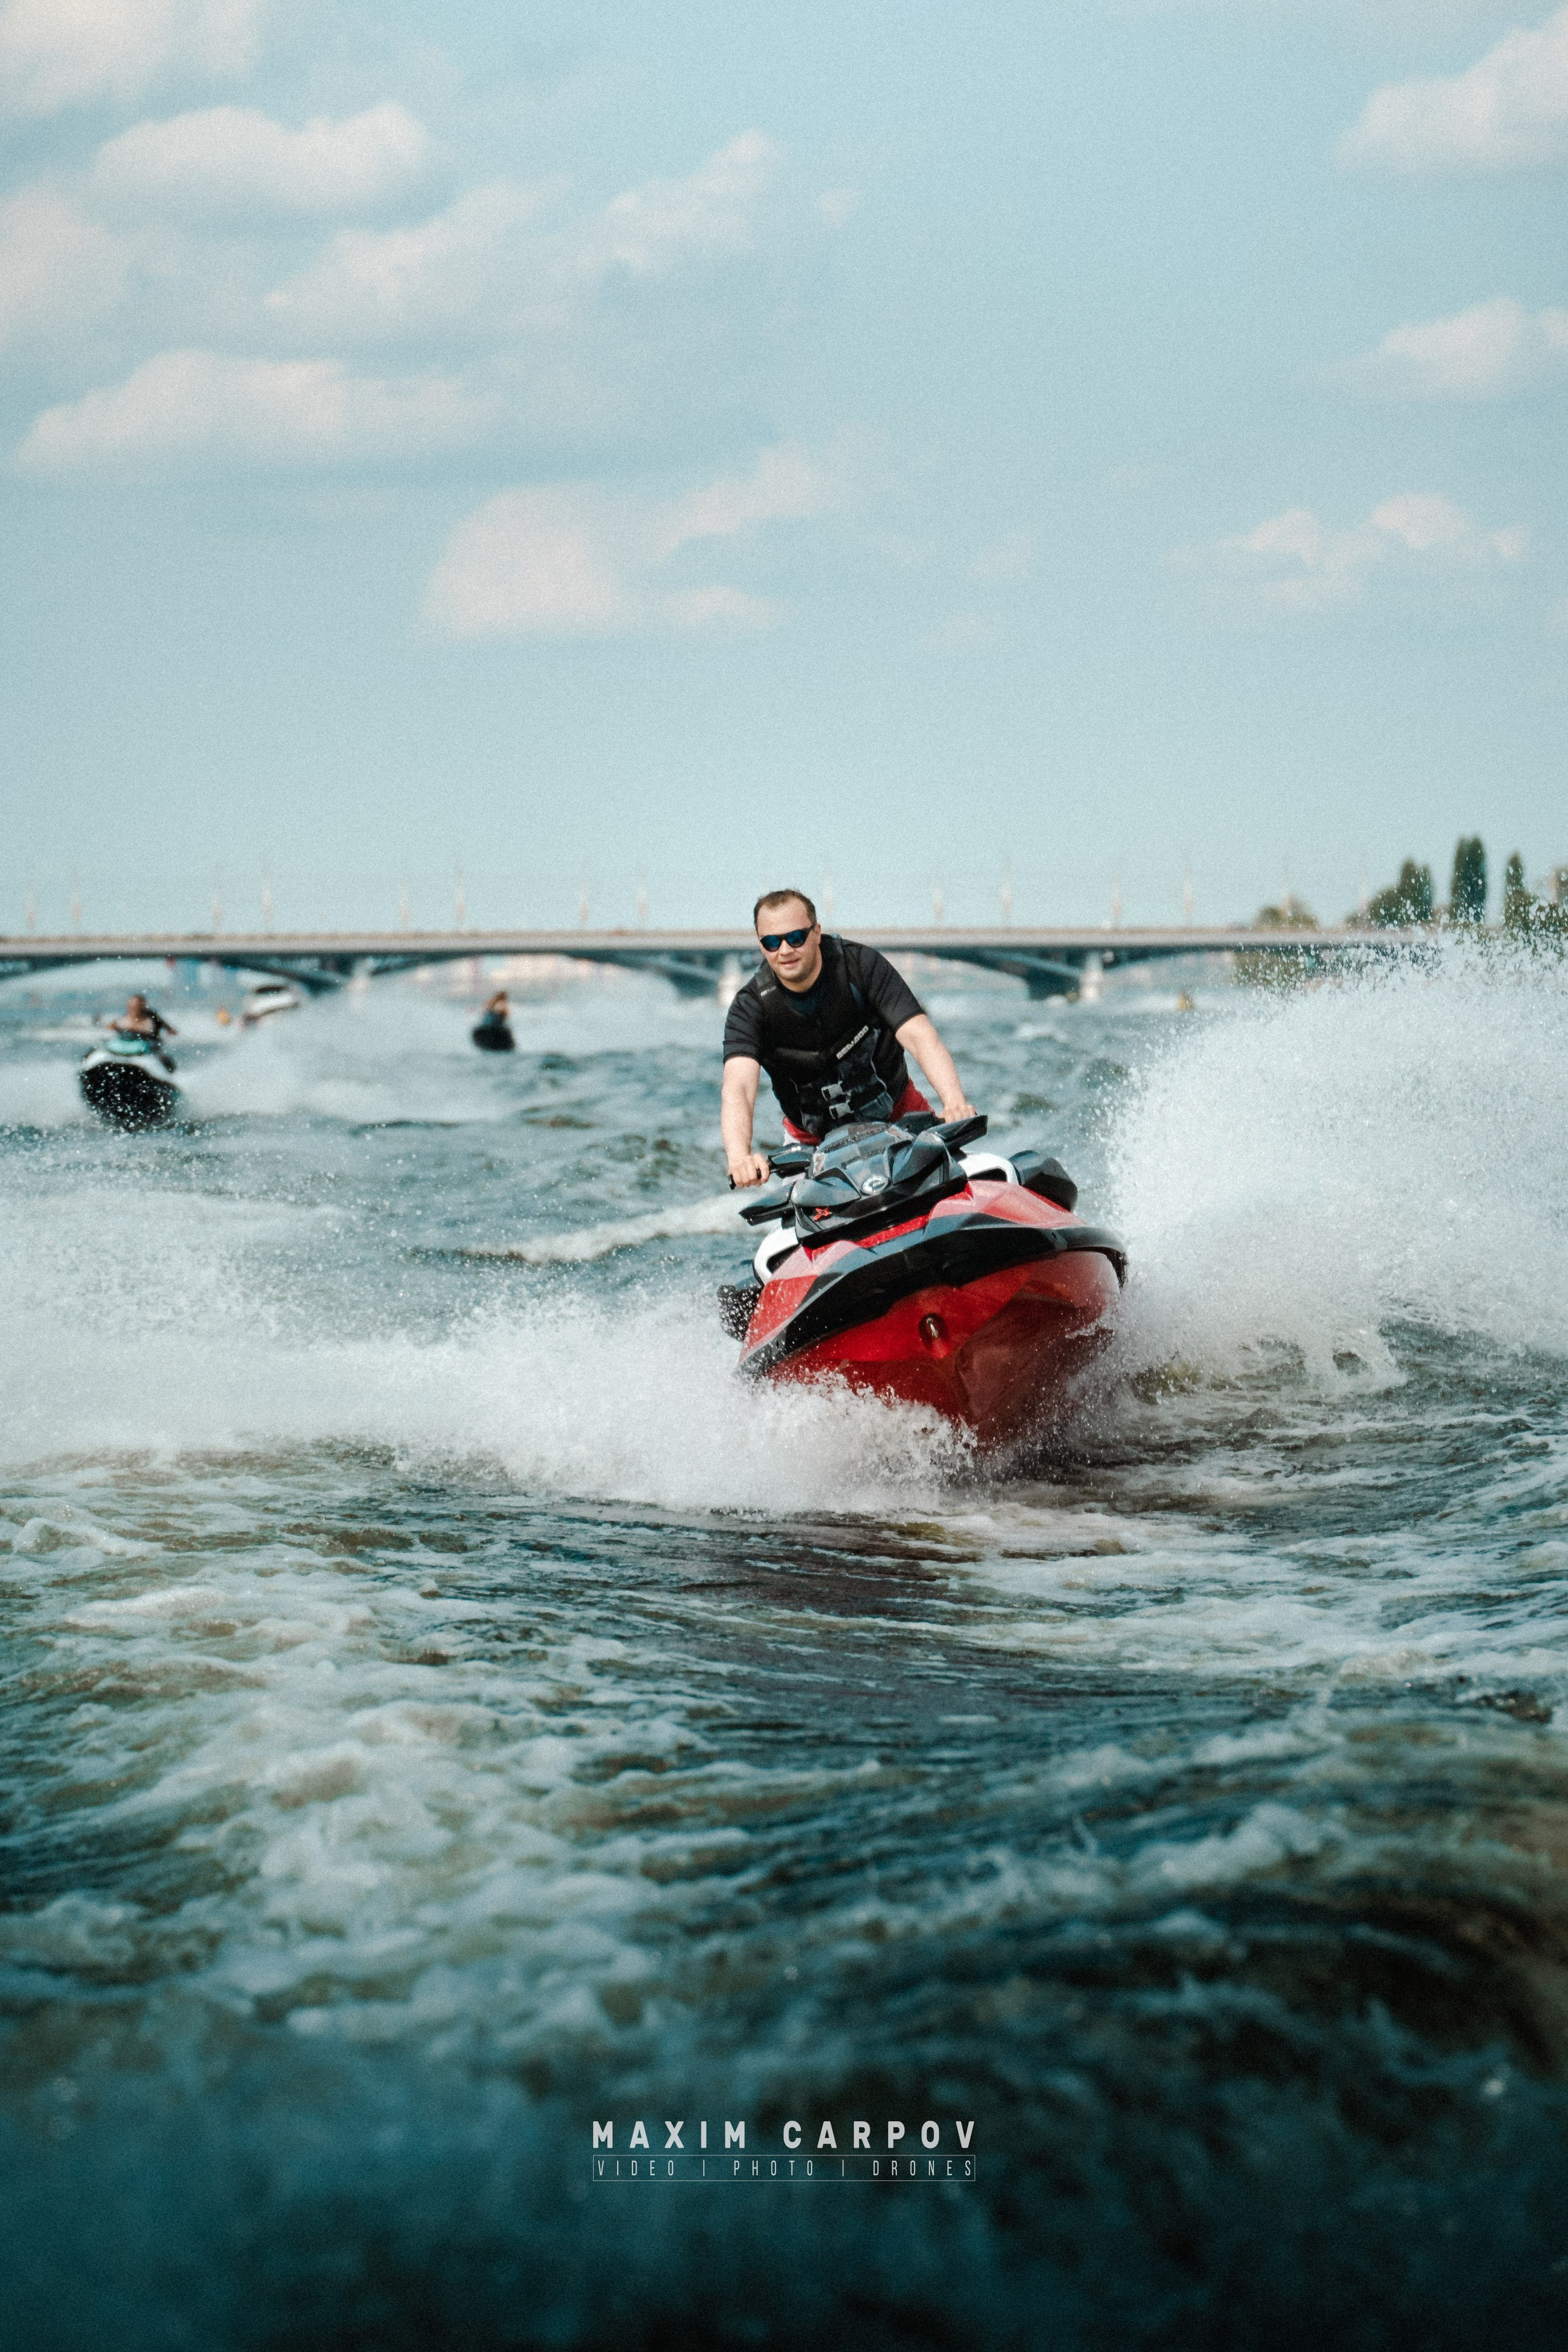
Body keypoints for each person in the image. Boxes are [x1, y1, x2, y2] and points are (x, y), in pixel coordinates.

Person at [722, 890, 975, 1186]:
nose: (785, 950)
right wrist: (739, 1157)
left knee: (963, 1184)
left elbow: (920, 1037)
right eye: (772, 942)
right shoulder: (749, 1008)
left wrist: (954, 1103)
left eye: (796, 937)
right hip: (810, 1147)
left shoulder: (861, 966)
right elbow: (739, 1087)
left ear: (817, 933)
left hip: (901, 1118)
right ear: (761, 945)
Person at [105, 993, 178, 1067]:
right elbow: (110, 1027)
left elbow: (171, 1030)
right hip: (124, 1047)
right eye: (131, 1006)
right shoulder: (124, 1018)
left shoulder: (153, 1018)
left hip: (147, 1047)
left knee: (165, 1061)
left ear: (143, 1006)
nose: (134, 1008)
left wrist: (137, 1030)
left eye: (137, 1005)